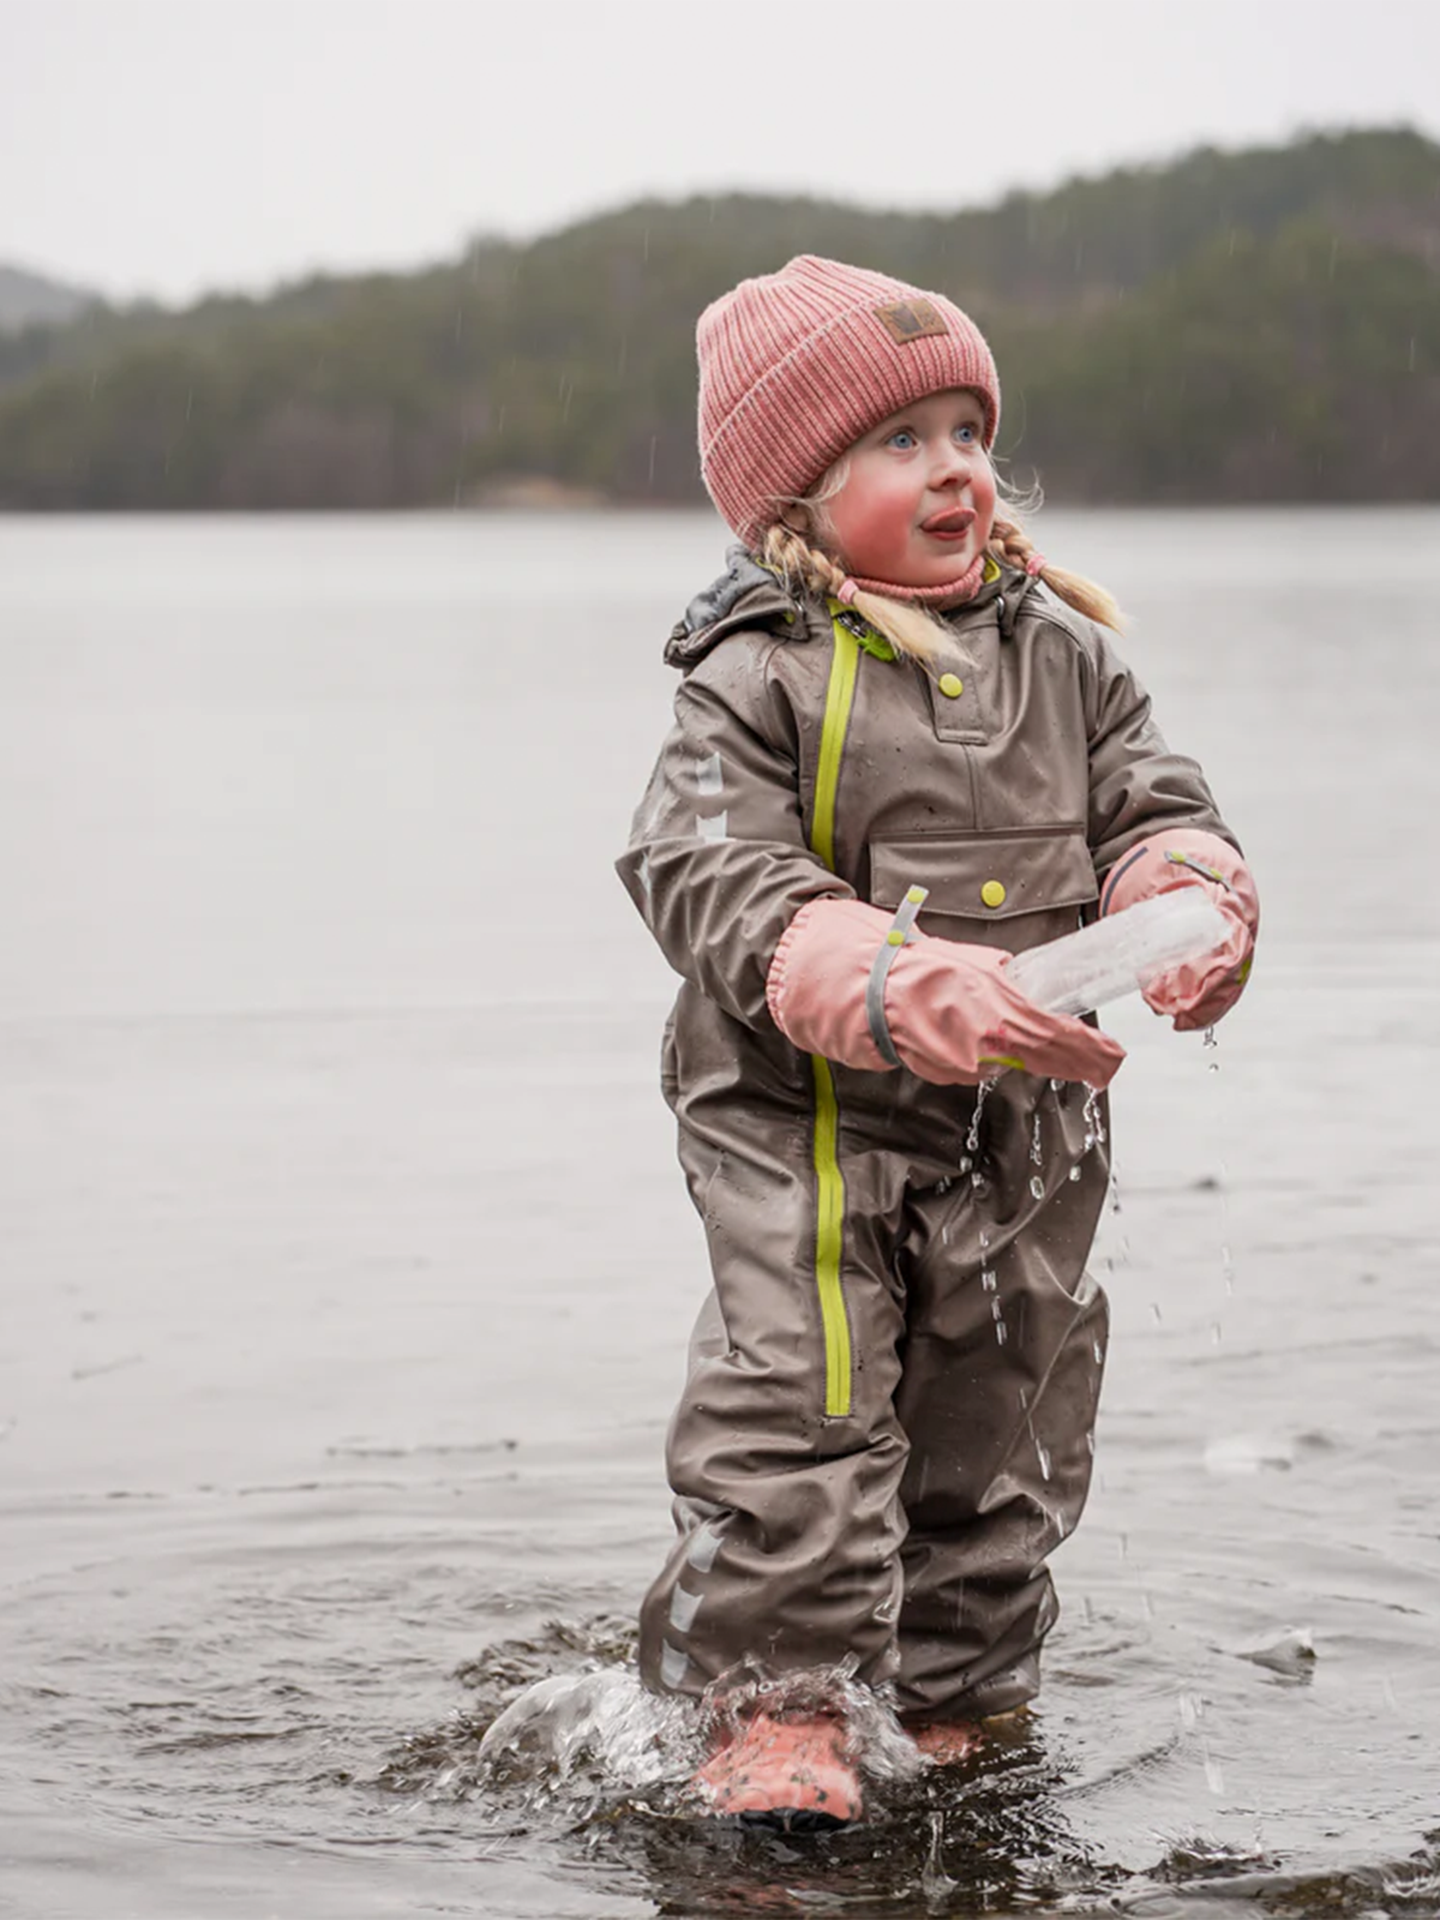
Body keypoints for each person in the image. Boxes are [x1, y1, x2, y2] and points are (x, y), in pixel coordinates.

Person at [616, 256, 1258, 1830]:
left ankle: (961, 1696)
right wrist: (897, 977)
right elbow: (705, 868)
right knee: (804, 1409)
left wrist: (1190, 901)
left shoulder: (1072, 656)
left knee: (1010, 1408)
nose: (958, 466)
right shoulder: (753, 674)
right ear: (795, 498)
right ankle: (771, 1709)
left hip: (1024, 1131)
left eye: (969, 428)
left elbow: (1158, 803)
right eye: (903, 440)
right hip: (805, 1131)